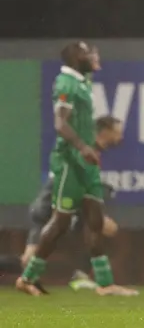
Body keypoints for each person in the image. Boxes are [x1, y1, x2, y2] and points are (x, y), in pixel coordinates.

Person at [15, 41, 137, 296]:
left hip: (86, 162)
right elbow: (60, 123)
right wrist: (83, 147)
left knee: (94, 220)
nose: (94, 55)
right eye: (87, 53)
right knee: (60, 222)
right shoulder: (66, 84)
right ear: (74, 59)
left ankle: (105, 284)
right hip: (71, 161)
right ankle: (27, 279)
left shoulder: (83, 82)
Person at [0, 116, 124, 293]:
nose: (121, 137)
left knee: (27, 261)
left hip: (60, 205)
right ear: (106, 131)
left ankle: (81, 275)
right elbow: (71, 181)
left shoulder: (90, 150)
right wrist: (96, 214)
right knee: (29, 261)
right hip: (49, 207)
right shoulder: (84, 148)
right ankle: (85, 277)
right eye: (117, 132)